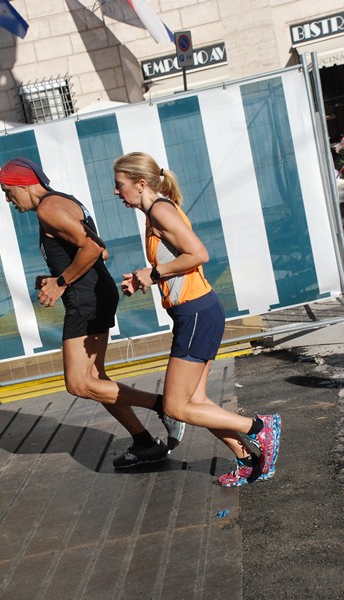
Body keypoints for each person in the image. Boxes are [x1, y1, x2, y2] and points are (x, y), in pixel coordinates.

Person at [0, 157, 185, 469]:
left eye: (8, 191)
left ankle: (164, 407)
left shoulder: (48, 208)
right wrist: (57, 275)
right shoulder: (62, 202)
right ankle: (143, 443)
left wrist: (60, 282)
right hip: (92, 295)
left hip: (86, 301)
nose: (8, 199)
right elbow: (98, 247)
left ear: (24, 185)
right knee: (95, 379)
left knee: (79, 384)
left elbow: (93, 248)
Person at [113, 152, 281, 486]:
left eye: (120, 186)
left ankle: (261, 428)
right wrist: (145, 277)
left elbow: (199, 254)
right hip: (195, 313)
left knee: (176, 407)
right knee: (196, 402)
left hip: (197, 314)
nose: (116, 193)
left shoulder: (159, 210)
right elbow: (178, 259)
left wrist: (154, 272)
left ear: (141, 183)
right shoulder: (154, 211)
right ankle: (248, 459)